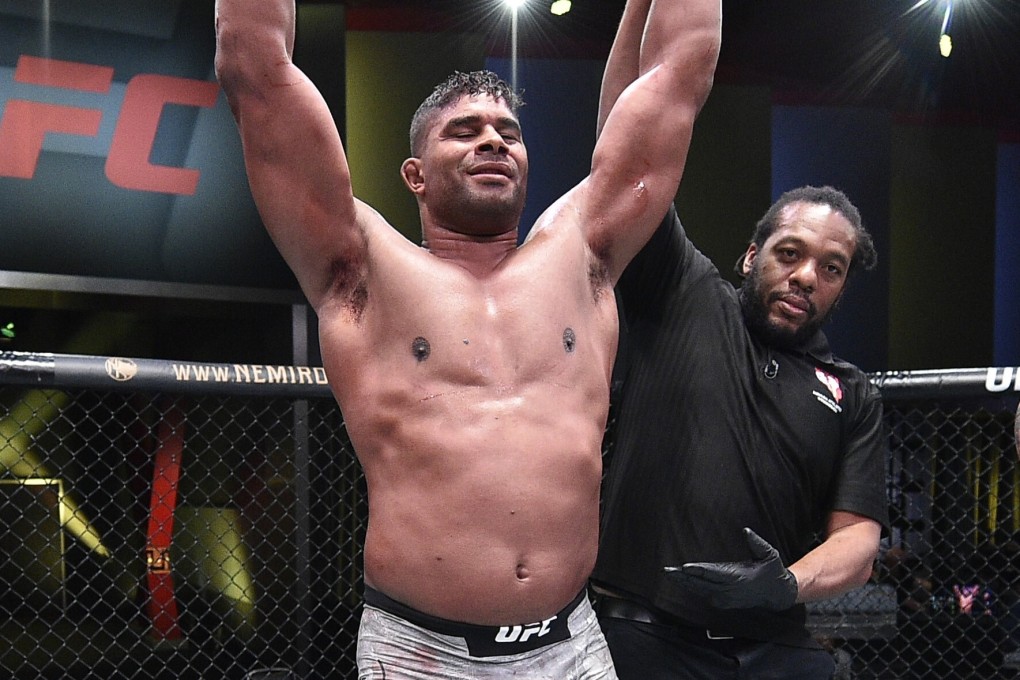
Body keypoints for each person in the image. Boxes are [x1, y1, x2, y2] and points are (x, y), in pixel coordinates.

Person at [214, 0, 720, 676]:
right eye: (465, 130)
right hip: (423, 653)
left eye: (508, 131)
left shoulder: (583, 255)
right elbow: (254, 66)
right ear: (415, 175)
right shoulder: (361, 269)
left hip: (571, 645)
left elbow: (680, 70)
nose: (493, 140)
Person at [590, 9, 888, 676]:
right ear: (752, 255)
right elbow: (623, 148)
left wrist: (787, 583)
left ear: (841, 288)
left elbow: (859, 541)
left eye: (831, 268)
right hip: (644, 635)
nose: (806, 276)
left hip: (774, 644)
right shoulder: (684, 293)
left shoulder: (853, 394)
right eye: (790, 252)